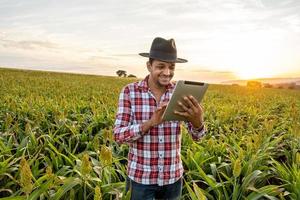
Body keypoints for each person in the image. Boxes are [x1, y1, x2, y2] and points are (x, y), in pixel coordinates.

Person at [113, 37, 206, 200]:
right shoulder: (130, 92)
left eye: (171, 67)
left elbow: (198, 137)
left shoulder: (180, 93)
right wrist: (149, 123)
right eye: (161, 66)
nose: (167, 72)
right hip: (141, 179)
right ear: (149, 66)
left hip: (173, 178)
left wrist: (197, 122)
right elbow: (118, 135)